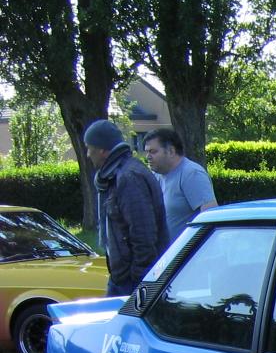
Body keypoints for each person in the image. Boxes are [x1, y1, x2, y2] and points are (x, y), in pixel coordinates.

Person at [83, 119, 168, 298]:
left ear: (102, 150)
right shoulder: (115, 175)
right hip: (122, 277)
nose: (88, 154)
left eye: (89, 148)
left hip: (132, 280)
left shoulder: (129, 178)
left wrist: (138, 283)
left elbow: (143, 235)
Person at [142, 127, 218, 232]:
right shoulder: (156, 175)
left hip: (188, 243)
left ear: (171, 151)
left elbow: (210, 218)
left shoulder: (192, 174)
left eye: (153, 151)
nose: (148, 157)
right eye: (147, 152)